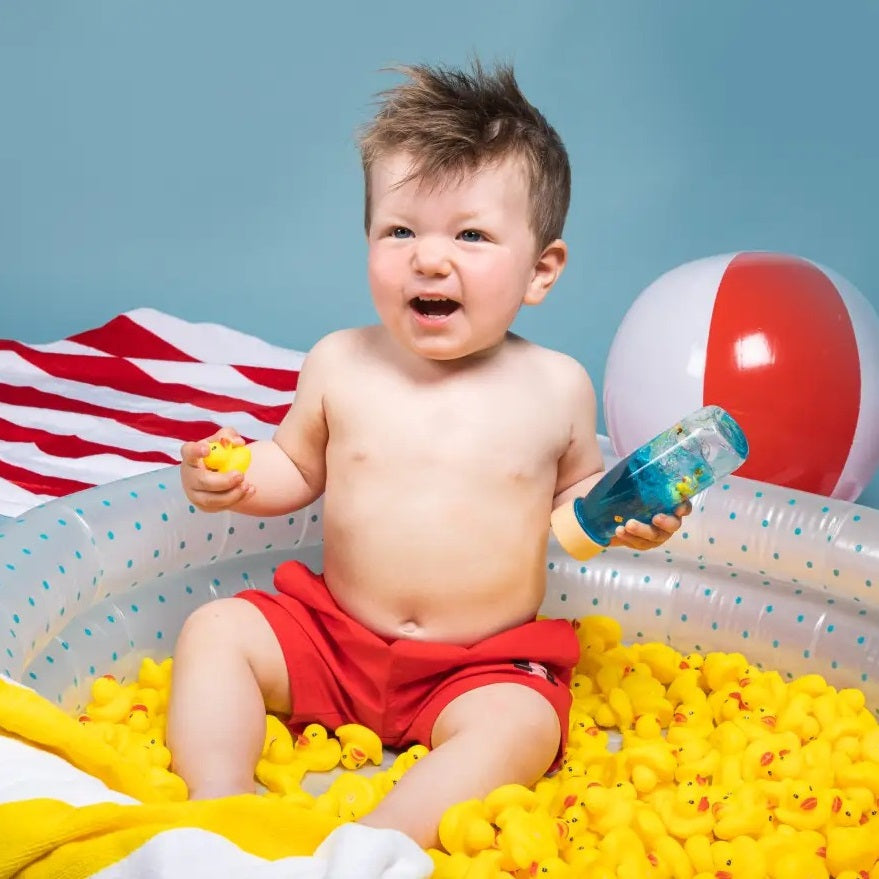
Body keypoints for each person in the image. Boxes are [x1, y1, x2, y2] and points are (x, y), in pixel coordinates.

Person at [167, 60, 690, 862]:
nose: (429, 259)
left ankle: (373, 844)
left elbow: (580, 494)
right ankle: (218, 804)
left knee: (523, 724)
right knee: (216, 631)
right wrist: (231, 478)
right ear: (369, 239)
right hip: (333, 640)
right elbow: (294, 468)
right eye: (400, 230)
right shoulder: (339, 362)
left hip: (474, 665)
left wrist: (630, 511)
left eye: (471, 235)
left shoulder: (555, 386)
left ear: (540, 270)